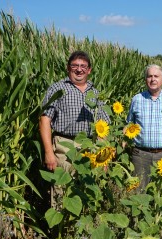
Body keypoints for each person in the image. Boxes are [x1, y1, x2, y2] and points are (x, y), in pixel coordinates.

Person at [39, 50, 110, 208]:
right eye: (75, 66)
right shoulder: (58, 89)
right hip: (64, 146)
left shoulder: (96, 93)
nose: (79, 69)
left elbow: (103, 125)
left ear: (89, 70)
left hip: (90, 147)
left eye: (83, 66)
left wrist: (103, 156)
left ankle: (79, 231)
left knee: (88, 189)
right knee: (62, 189)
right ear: (68, 68)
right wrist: (48, 152)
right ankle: (61, 230)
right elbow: (44, 119)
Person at [126, 64, 162, 191]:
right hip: (140, 155)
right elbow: (129, 125)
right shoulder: (137, 99)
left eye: (156, 76)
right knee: (139, 193)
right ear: (145, 80)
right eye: (149, 76)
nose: (153, 79)